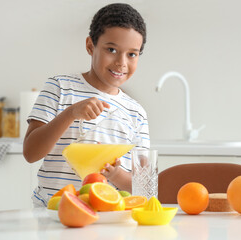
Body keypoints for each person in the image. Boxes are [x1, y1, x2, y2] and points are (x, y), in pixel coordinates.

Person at [23, 3, 150, 207]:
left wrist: (116, 175)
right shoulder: (59, 87)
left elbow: (143, 186)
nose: (121, 62)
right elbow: (31, 153)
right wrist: (70, 113)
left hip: (108, 214)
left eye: (132, 54)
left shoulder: (136, 113)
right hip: (53, 212)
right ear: (91, 46)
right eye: (111, 49)